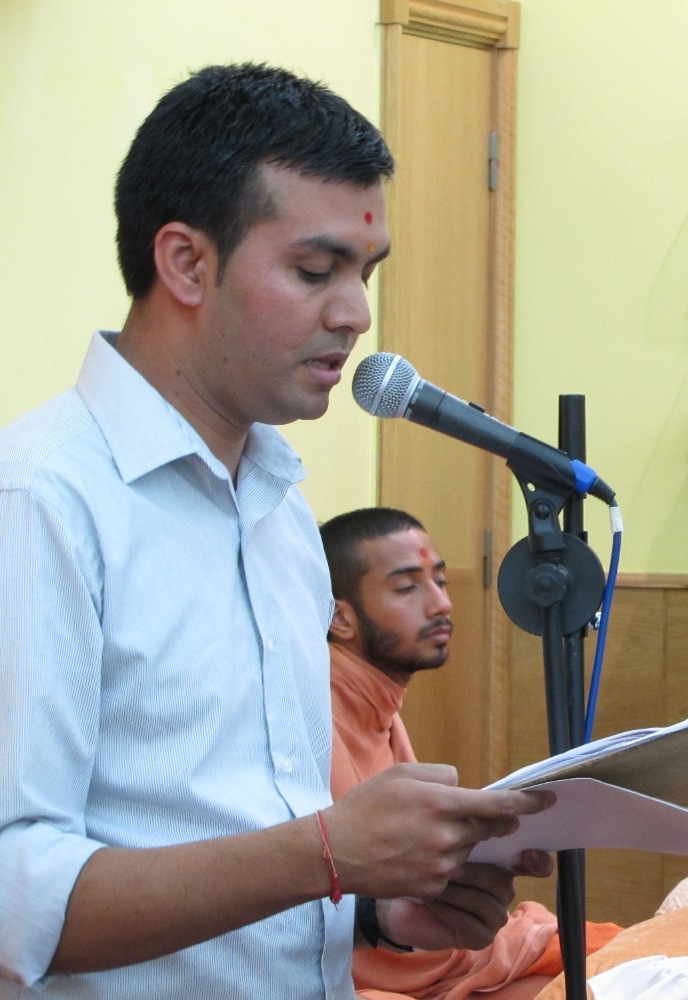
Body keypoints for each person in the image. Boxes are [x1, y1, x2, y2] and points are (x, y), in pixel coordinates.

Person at [0, 64, 552, 998]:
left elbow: (255, 830)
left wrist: (378, 908)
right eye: (314, 269)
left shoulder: (278, 503)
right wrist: (330, 853)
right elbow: (17, 902)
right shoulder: (43, 501)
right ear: (185, 263)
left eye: (365, 274)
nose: (356, 314)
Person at [321, 507, 620, 1000]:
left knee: (618, 968)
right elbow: (345, 907)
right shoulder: (317, 713)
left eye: (439, 580)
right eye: (407, 587)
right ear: (341, 617)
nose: (440, 603)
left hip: (432, 958)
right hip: (375, 975)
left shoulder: (378, 702)